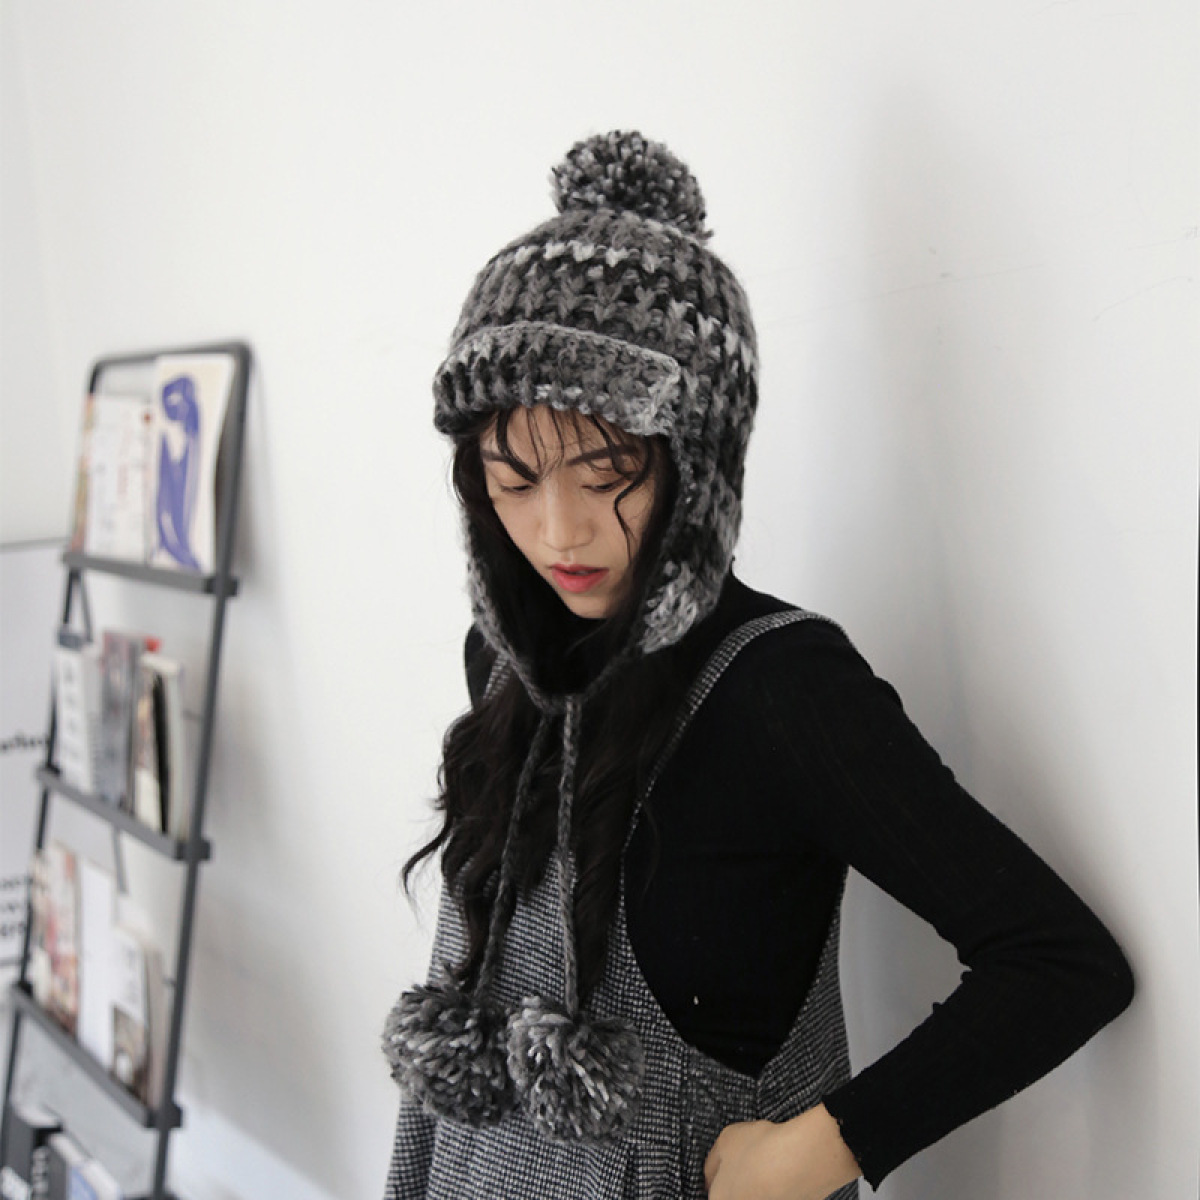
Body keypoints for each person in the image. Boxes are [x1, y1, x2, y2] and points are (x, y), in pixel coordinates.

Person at [381, 130, 1134, 1200]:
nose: (559, 533)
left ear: (697, 465)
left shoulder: (780, 690)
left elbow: (1060, 962)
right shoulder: (505, 664)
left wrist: (817, 1148)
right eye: (514, 480)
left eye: (608, 475)